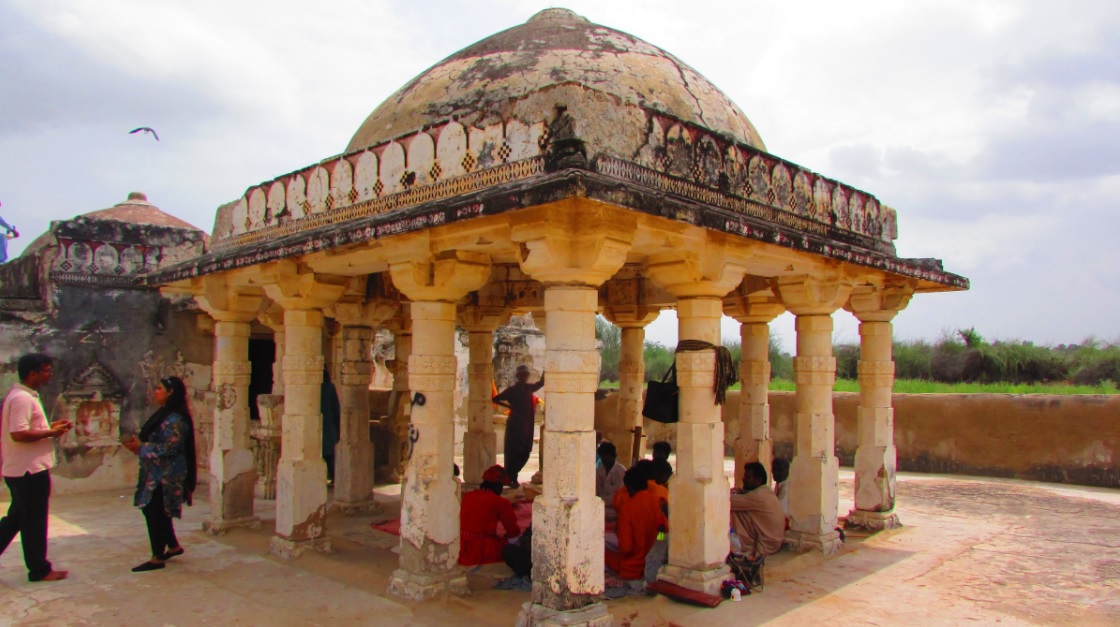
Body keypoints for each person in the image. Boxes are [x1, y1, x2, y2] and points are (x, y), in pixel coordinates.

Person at [0, 353, 71, 582]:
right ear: (33, 373)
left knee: (16, 519)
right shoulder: (22, 398)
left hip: (23, 469)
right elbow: (19, 433)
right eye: (46, 370)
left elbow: (28, 428)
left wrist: (50, 427)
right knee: (33, 522)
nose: (49, 374)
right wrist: (51, 432)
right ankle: (39, 569)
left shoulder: (24, 396)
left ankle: (39, 568)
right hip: (28, 471)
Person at [123, 376, 198, 572]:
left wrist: (142, 447)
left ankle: (157, 556)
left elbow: (170, 446)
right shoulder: (164, 413)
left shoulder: (176, 418)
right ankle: (172, 545)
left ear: (170, 392)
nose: (155, 391)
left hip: (166, 475)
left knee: (155, 511)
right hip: (154, 472)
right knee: (155, 509)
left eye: (159, 388)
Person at [605, 467, 666, 595]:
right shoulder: (658, 502)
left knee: (604, 554)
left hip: (633, 568)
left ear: (629, 488)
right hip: (655, 563)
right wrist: (654, 545)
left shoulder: (627, 507)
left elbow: (626, 547)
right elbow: (663, 533)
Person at [492, 365, 544, 488]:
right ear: (518, 376)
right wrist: (510, 407)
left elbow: (541, 383)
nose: (524, 377)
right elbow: (496, 399)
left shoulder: (528, 388)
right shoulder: (512, 390)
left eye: (526, 375)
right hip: (515, 424)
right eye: (522, 375)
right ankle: (511, 477)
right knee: (513, 451)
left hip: (526, 424)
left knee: (525, 451)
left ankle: (512, 475)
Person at [459, 465, 521, 566]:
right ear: (498, 486)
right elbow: (513, 532)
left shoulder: (467, 496)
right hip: (483, 550)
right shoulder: (500, 502)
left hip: (461, 546)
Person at [729, 462, 786, 559]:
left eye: (747, 477)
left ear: (758, 480)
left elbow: (725, 501)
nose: (743, 479)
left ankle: (740, 549)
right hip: (773, 544)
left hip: (764, 547)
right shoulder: (765, 492)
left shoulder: (757, 496)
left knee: (732, 510)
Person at [321, 369, 341, 484]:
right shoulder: (330, 387)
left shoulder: (318, 388)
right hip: (329, 425)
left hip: (322, 426)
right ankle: (334, 479)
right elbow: (336, 408)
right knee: (330, 455)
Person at [771, 457, 791, 522]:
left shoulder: (786, 487)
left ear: (787, 471)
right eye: (774, 469)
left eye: (780, 470)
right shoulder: (779, 485)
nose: (776, 473)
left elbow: (776, 508)